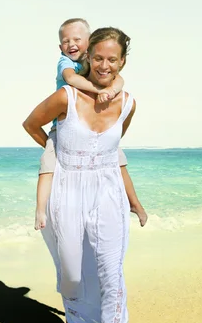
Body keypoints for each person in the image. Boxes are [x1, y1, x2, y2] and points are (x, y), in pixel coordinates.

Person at [23, 27, 137, 323]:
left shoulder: (128, 103)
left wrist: (133, 201)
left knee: (110, 272)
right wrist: (57, 149)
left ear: (122, 62)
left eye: (112, 60)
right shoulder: (66, 96)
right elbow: (31, 124)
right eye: (98, 58)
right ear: (87, 56)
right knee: (73, 275)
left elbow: (112, 149)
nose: (104, 65)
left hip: (108, 194)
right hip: (67, 192)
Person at [32, 18, 147, 231]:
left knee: (118, 161)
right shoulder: (65, 63)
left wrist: (111, 91)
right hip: (64, 127)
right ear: (60, 47)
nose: (71, 45)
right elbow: (72, 80)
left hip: (94, 131)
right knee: (47, 167)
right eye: (65, 41)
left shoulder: (93, 60)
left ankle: (135, 204)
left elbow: (119, 79)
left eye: (77, 39)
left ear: (89, 42)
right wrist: (98, 91)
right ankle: (40, 210)